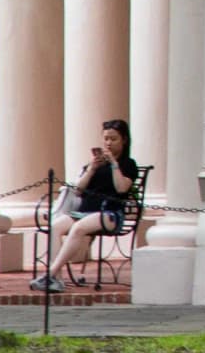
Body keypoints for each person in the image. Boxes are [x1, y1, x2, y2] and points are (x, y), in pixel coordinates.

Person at [31, 119, 144, 292]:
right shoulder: (95, 165)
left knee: (78, 228)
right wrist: (91, 169)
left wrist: (114, 164)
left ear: (124, 140)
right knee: (55, 227)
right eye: (106, 139)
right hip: (84, 211)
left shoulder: (128, 165)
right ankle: (57, 279)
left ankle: (50, 274)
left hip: (110, 213)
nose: (108, 143)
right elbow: (78, 191)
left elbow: (122, 188)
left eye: (113, 139)